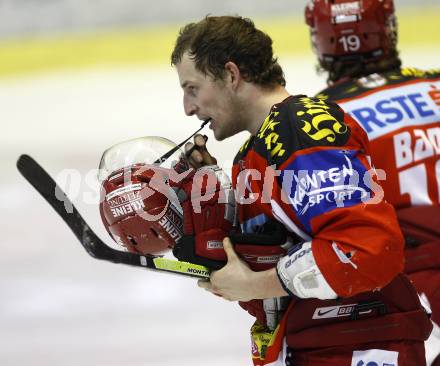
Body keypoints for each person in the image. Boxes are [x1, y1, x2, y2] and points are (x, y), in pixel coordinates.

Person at [171, 15, 432, 366]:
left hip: (359, 350)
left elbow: (366, 250)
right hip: (322, 346)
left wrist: (255, 284)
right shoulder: (257, 150)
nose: (189, 108)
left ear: (231, 75)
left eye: (192, 88)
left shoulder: (302, 128)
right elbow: (284, 270)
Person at [304, 0, 440, 364]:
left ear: (321, 41)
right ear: (388, 28)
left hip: (400, 282)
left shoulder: (318, 118)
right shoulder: (435, 84)